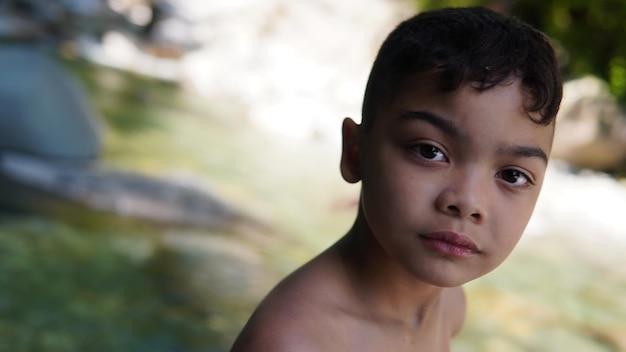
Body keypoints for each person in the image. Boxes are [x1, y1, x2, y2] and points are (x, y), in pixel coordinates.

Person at [232, 6, 562, 351]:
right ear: (356, 153)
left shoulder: (449, 308)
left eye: (512, 175)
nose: (467, 201)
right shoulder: (294, 342)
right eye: (429, 151)